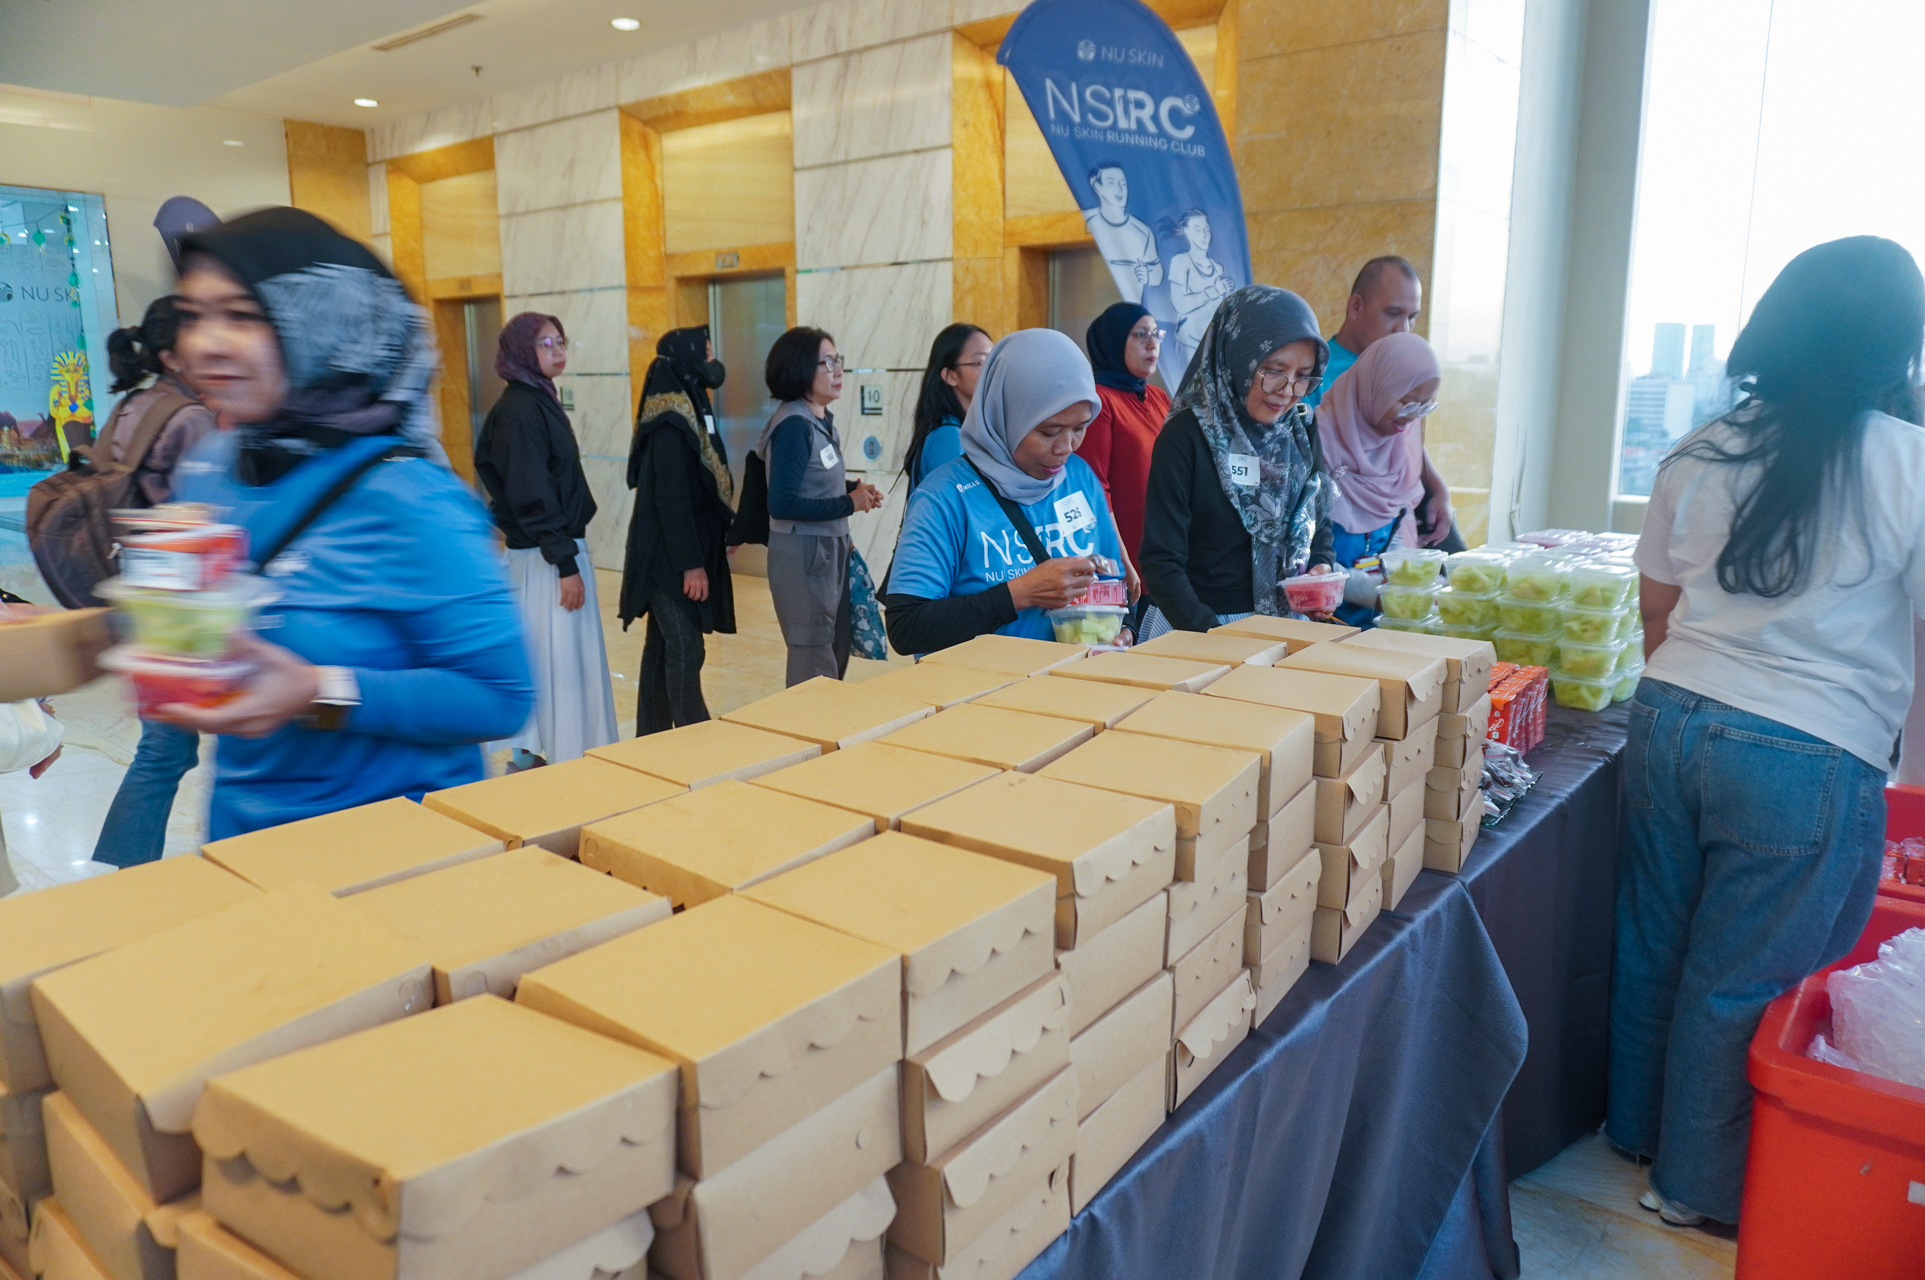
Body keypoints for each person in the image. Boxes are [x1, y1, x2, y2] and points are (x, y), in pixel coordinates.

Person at [1609, 236, 1925, 1229]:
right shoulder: (1908, 462)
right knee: (1742, 979)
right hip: (1805, 748)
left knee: (1656, 941)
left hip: (1669, 715)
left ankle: (1637, 1131)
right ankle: (1694, 1187)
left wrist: (1697, 698)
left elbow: (1655, 606)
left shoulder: (1702, 447)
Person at [154, 206, 533, 838]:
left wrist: (318, 690)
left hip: (392, 852)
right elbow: (193, 630)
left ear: (323, 321)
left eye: (242, 316)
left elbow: (501, 697)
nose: (204, 344)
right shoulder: (209, 466)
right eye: (193, 315)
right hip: (243, 842)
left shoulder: (409, 497)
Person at [884, 329, 1121, 654]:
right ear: (1004, 415)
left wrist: (1124, 630)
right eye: (1048, 432)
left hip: (1073, 680)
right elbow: (906, 627)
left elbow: (1113, 581)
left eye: (1080, 428)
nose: (1066, 447)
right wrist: (1020, 593)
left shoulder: (1079, 476)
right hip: (980, 684)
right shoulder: (944, 496)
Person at [89, 296, 219, 867]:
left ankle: (129, 870)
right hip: (174, 602)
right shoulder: (190, 418)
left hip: (136, 588)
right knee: (167, 750)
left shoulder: (132, 406)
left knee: (168, 746)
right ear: (170, 355)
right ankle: (131, 875)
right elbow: (213, 515)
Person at [1137, 285, 1337, 637]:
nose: (1287, 391)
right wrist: (1216, 636)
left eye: (1303, 376)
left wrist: (1321, 567)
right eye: (1274, 371)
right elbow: (1161, 564)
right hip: (1197, 627)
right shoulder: (1188, 437)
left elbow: (1316, 521)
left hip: (1285, 624)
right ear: (1238, 358)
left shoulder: (1300, 431)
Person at [474, 312, 617, 766]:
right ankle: (544, 757)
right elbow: (531, 493)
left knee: (563, 665)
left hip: (552, 553)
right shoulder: (519, 410)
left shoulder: (538, 399)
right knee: (555, 667)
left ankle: (556, 754)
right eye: (545, 343)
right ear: (521, 351)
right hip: (545, 560)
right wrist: (565, 562)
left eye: (560, 341)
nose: (558, 350)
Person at [621, 325, 737, 733]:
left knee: (661, 650)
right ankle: (697, 739)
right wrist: (691, 564)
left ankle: (650, 740)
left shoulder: (691, 405)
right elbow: (671, 499)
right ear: (687, 359)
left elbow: (699, 485)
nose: (712, 361)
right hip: (665, 561)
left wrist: (724, 525)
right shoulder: (670, 420)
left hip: (675, 555)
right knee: (687, 647)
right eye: (705, 353)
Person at [753, 327, 883, 685]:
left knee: (832, 648)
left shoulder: (818, 418)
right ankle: (809, 721)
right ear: (799, 369)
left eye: (837, 360)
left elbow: (811, 480)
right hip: (805, 552)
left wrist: (854, 490)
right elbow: (781, 503)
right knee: (813, 661)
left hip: (826, 548)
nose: (838, 370)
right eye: (827, 363)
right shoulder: (795, 425)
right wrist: (848, 503)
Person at [1310, 256, 1458, 550]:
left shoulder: (1406, 366)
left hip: (1396, 512)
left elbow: (1402, 437)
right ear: (1356, 307)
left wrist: (1438, 488)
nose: (1403, 329)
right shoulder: (1315, 374)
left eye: (1412, 317)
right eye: (1392, 314)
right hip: (1341, 521)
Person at [1315, 332, 1443, 626]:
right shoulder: (1312, 442)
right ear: (1374, 387)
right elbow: (1296, 556)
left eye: (1424, 407)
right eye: (1406, 403)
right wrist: (1375, 592)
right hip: (1318, 624)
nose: (1412, 418)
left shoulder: (1398, 447)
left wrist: (1408, 581)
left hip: (1380, 622)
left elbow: (1392, 526)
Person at [1076, 303, 1170, 565]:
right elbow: (1095, 487)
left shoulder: (1159, 397)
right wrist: (1120, 556)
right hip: (1125, 548)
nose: (1152, 344)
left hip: (1166, 542)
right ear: (1114, 341)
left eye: (1156, 334)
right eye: (1141, 334)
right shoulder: (1099, 401)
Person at [905, 323, 991, 489]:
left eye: (993, 360)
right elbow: (960, 501)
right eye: (978, 363)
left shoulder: (966, 430)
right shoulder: (949, 437)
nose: (991, 370)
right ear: (950, 376)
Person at [1159, 210, 1236, 378]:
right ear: (1186, 231)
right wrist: (1215, 290)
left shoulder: (1217, 268)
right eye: (1198, 230)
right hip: (1190, 343)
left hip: (1216, 345)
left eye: (1206, 230)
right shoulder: (1180, 262)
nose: (1204, 235)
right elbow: (1180, 304)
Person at [1083, 162, 1161, 305]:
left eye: (1123, 184)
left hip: (1131, 314)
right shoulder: (1087, 222)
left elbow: (1157, 273)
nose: (1119, 190)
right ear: (1097, 186)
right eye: (1111, 183)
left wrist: (1148, 275)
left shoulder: (1142, 232)